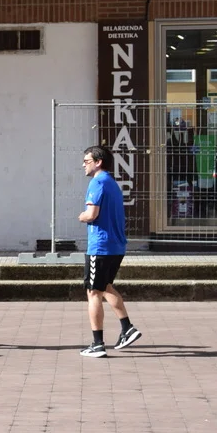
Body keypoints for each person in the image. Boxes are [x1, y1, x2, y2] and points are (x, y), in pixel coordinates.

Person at [78, 145, 142, 357]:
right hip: (116, 246)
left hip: (100, 246)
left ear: (98, 162)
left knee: (93, 292)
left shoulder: (97, 182)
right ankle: (127, 328)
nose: (83, 165)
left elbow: (92, 214)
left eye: (86, 161)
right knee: (105, 287)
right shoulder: (112, 183)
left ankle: (97, 344)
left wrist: (82, 216)